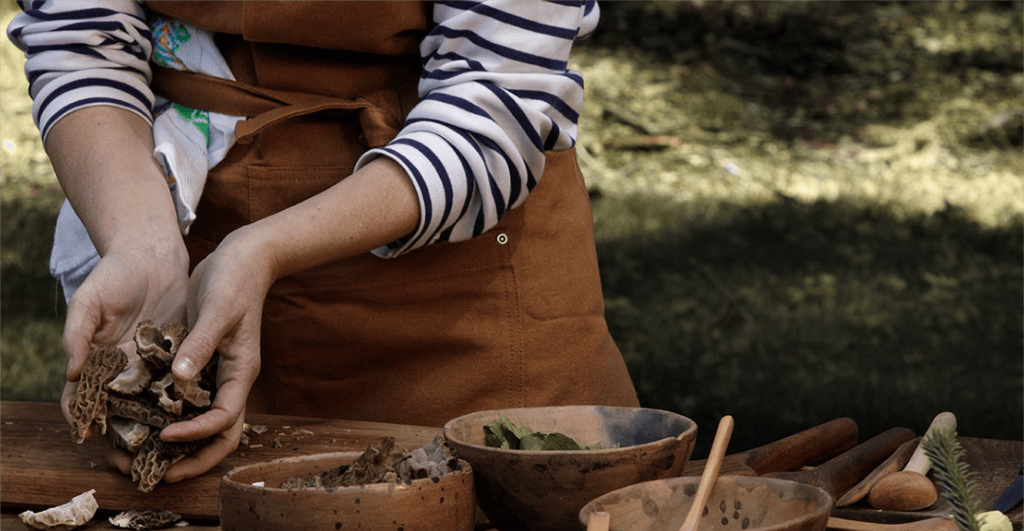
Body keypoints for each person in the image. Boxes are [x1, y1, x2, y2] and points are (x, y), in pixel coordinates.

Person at [7, 0, 639, 485]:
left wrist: (264, 249)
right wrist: (140, 242)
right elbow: (81, 41)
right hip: (192, 250)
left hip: (464, 289)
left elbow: (500, 100)